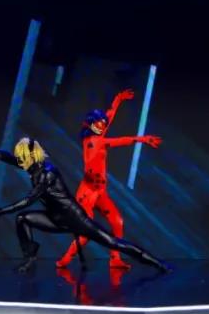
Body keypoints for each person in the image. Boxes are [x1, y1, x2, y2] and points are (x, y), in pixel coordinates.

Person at [0, 137, 169, 274]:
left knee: (114, 243)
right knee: (23, 219)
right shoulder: (31, 166)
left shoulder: (47, 173)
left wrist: (2, 210)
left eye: (22, 157)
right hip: (55, 219)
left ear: (31, 156)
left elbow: (29, 199)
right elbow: (6, 157)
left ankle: (158, 264)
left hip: (75, 219)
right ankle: (30, 256)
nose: (19, 160)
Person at [56, 89, 161, 270]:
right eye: (98, 123)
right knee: (86, 232)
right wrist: (143, 139)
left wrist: (118, 100)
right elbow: (120, 141)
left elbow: (109, 117)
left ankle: (115, 259)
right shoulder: (95, 141)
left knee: (117, 222)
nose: (102, 126)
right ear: (90, 124)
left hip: (99, 191)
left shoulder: (98, 134)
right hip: (88, 192)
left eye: (103, 124)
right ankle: (64, 260)